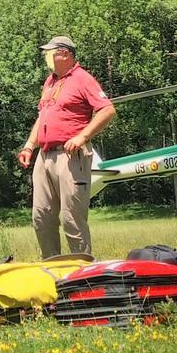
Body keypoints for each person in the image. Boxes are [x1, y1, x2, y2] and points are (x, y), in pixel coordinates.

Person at [17, 35, 116, 258]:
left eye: (50, 52)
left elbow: (107, 110)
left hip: (70, 156)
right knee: (41, 217)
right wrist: (29, 146)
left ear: (65, 54)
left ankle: (82, 274)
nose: (47, 57)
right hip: (44, 156)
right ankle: (53, 270)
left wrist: (82, 136)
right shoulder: (50, 81)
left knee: (71, 218)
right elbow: (42, 116)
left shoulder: (82, 78)